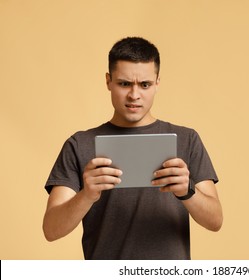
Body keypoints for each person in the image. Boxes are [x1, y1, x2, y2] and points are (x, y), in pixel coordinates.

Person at [42, 37, 223, 260]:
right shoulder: (79, 144)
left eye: (144, 85)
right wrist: (86, 195)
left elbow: (215, 221)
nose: (134, 95)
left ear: (157, 82)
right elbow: (51, 230)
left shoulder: (187, 140)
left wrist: (188, 191)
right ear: (108, 81)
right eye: (124, 83)